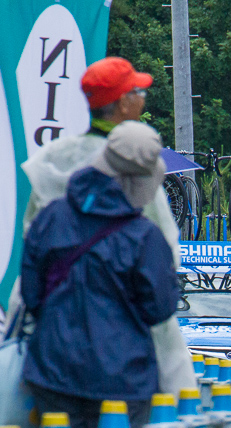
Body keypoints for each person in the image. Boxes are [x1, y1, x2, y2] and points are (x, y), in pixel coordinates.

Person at [17, 56, 196, 395]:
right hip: (123, 357)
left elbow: (32, 261)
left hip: (54, 355)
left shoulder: (52, 161)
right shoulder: (136, 166)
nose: (143, 98)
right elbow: (164, 267)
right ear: (123, 104)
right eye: (137, 91)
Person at [20, 121, 179, 428]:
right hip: (124, 381)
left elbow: (31, 295)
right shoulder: (143, 236)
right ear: (136, 184)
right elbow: (160, 308)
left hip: (53, 373)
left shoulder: (51, 217)